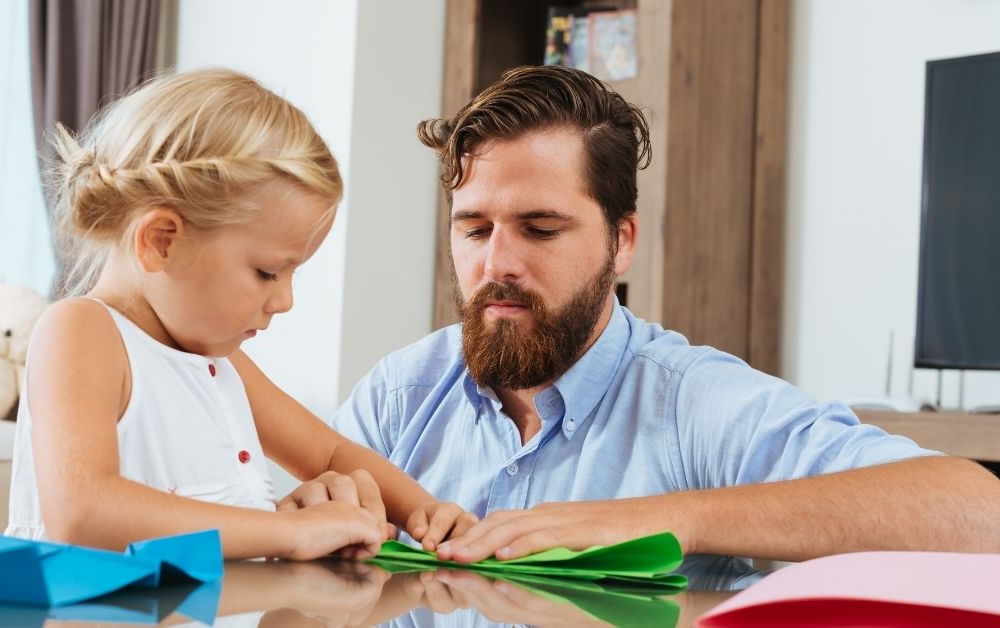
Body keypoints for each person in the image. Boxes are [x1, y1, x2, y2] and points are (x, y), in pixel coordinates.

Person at [332, 65, 1000, 563]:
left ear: (621, 242)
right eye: (475, 230)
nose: (497, 263)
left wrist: (651, 520)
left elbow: (978, 514)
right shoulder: (399, 397)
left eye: (540, 228)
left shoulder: (694, 406)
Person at [5, 69, 469, 560]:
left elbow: (330, 454)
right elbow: (82, 514)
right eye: (268, 272)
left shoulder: (215, 363)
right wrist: (289, 532)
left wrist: (425, 511)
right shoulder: (83, 331)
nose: (285, 299)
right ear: (162, 241)